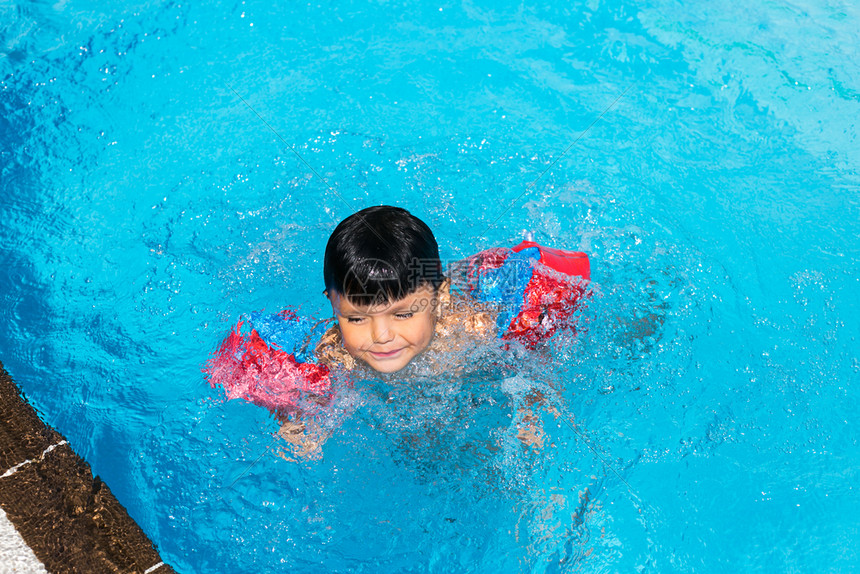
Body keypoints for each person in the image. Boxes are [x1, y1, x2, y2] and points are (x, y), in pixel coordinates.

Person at [207, 205, 591, 456]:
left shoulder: (477, 329)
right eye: (356, 318)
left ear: (438, 300)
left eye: (403, 315)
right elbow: (251, 350)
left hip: (479, 285)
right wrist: (290, 413)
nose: (381, 336)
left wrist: (530, 410)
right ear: (333, 304)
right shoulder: (334, 351)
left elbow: (535, 359)